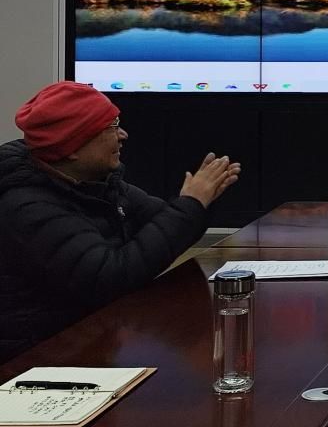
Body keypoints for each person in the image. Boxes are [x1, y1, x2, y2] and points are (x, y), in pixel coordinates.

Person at [0, 81, 241, 362]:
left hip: (94, 340)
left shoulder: (99, 183)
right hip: (39, 360)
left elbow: (170, 225)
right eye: (111, 127)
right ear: (73, 146)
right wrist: (191, 204)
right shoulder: (26, 206)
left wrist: (200, 200)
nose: (123, 135)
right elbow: (110, 277)